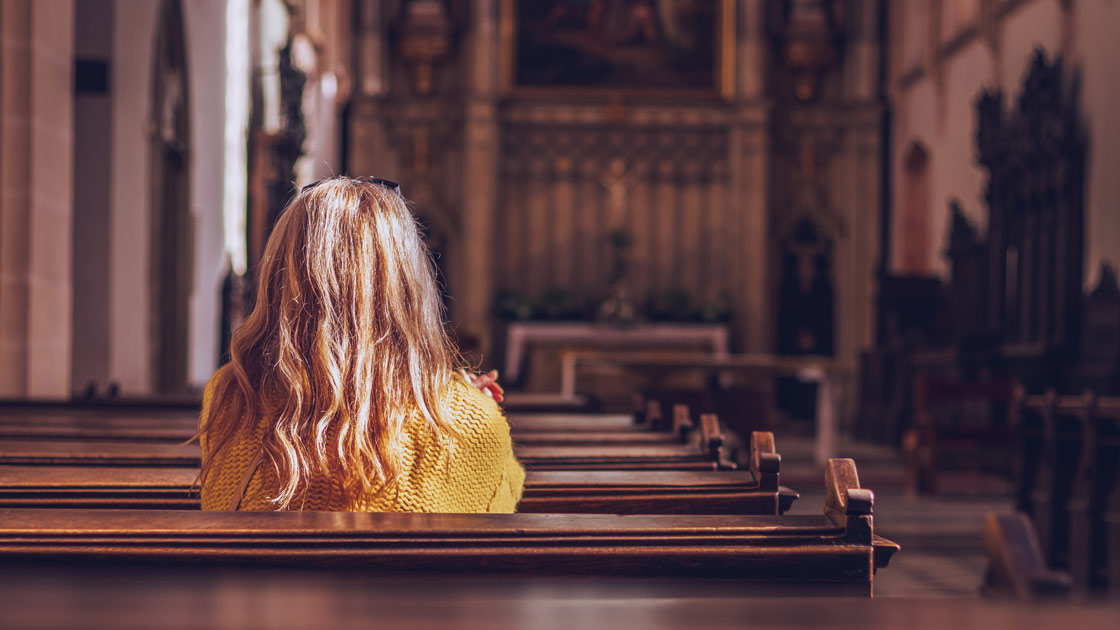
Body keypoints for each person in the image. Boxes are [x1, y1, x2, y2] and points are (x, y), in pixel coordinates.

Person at [197, 177, 524, 513]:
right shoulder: (471, 421)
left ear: (281, 277)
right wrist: (467, 403)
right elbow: (496, 505)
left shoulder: (231, 396)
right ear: (407, 285)